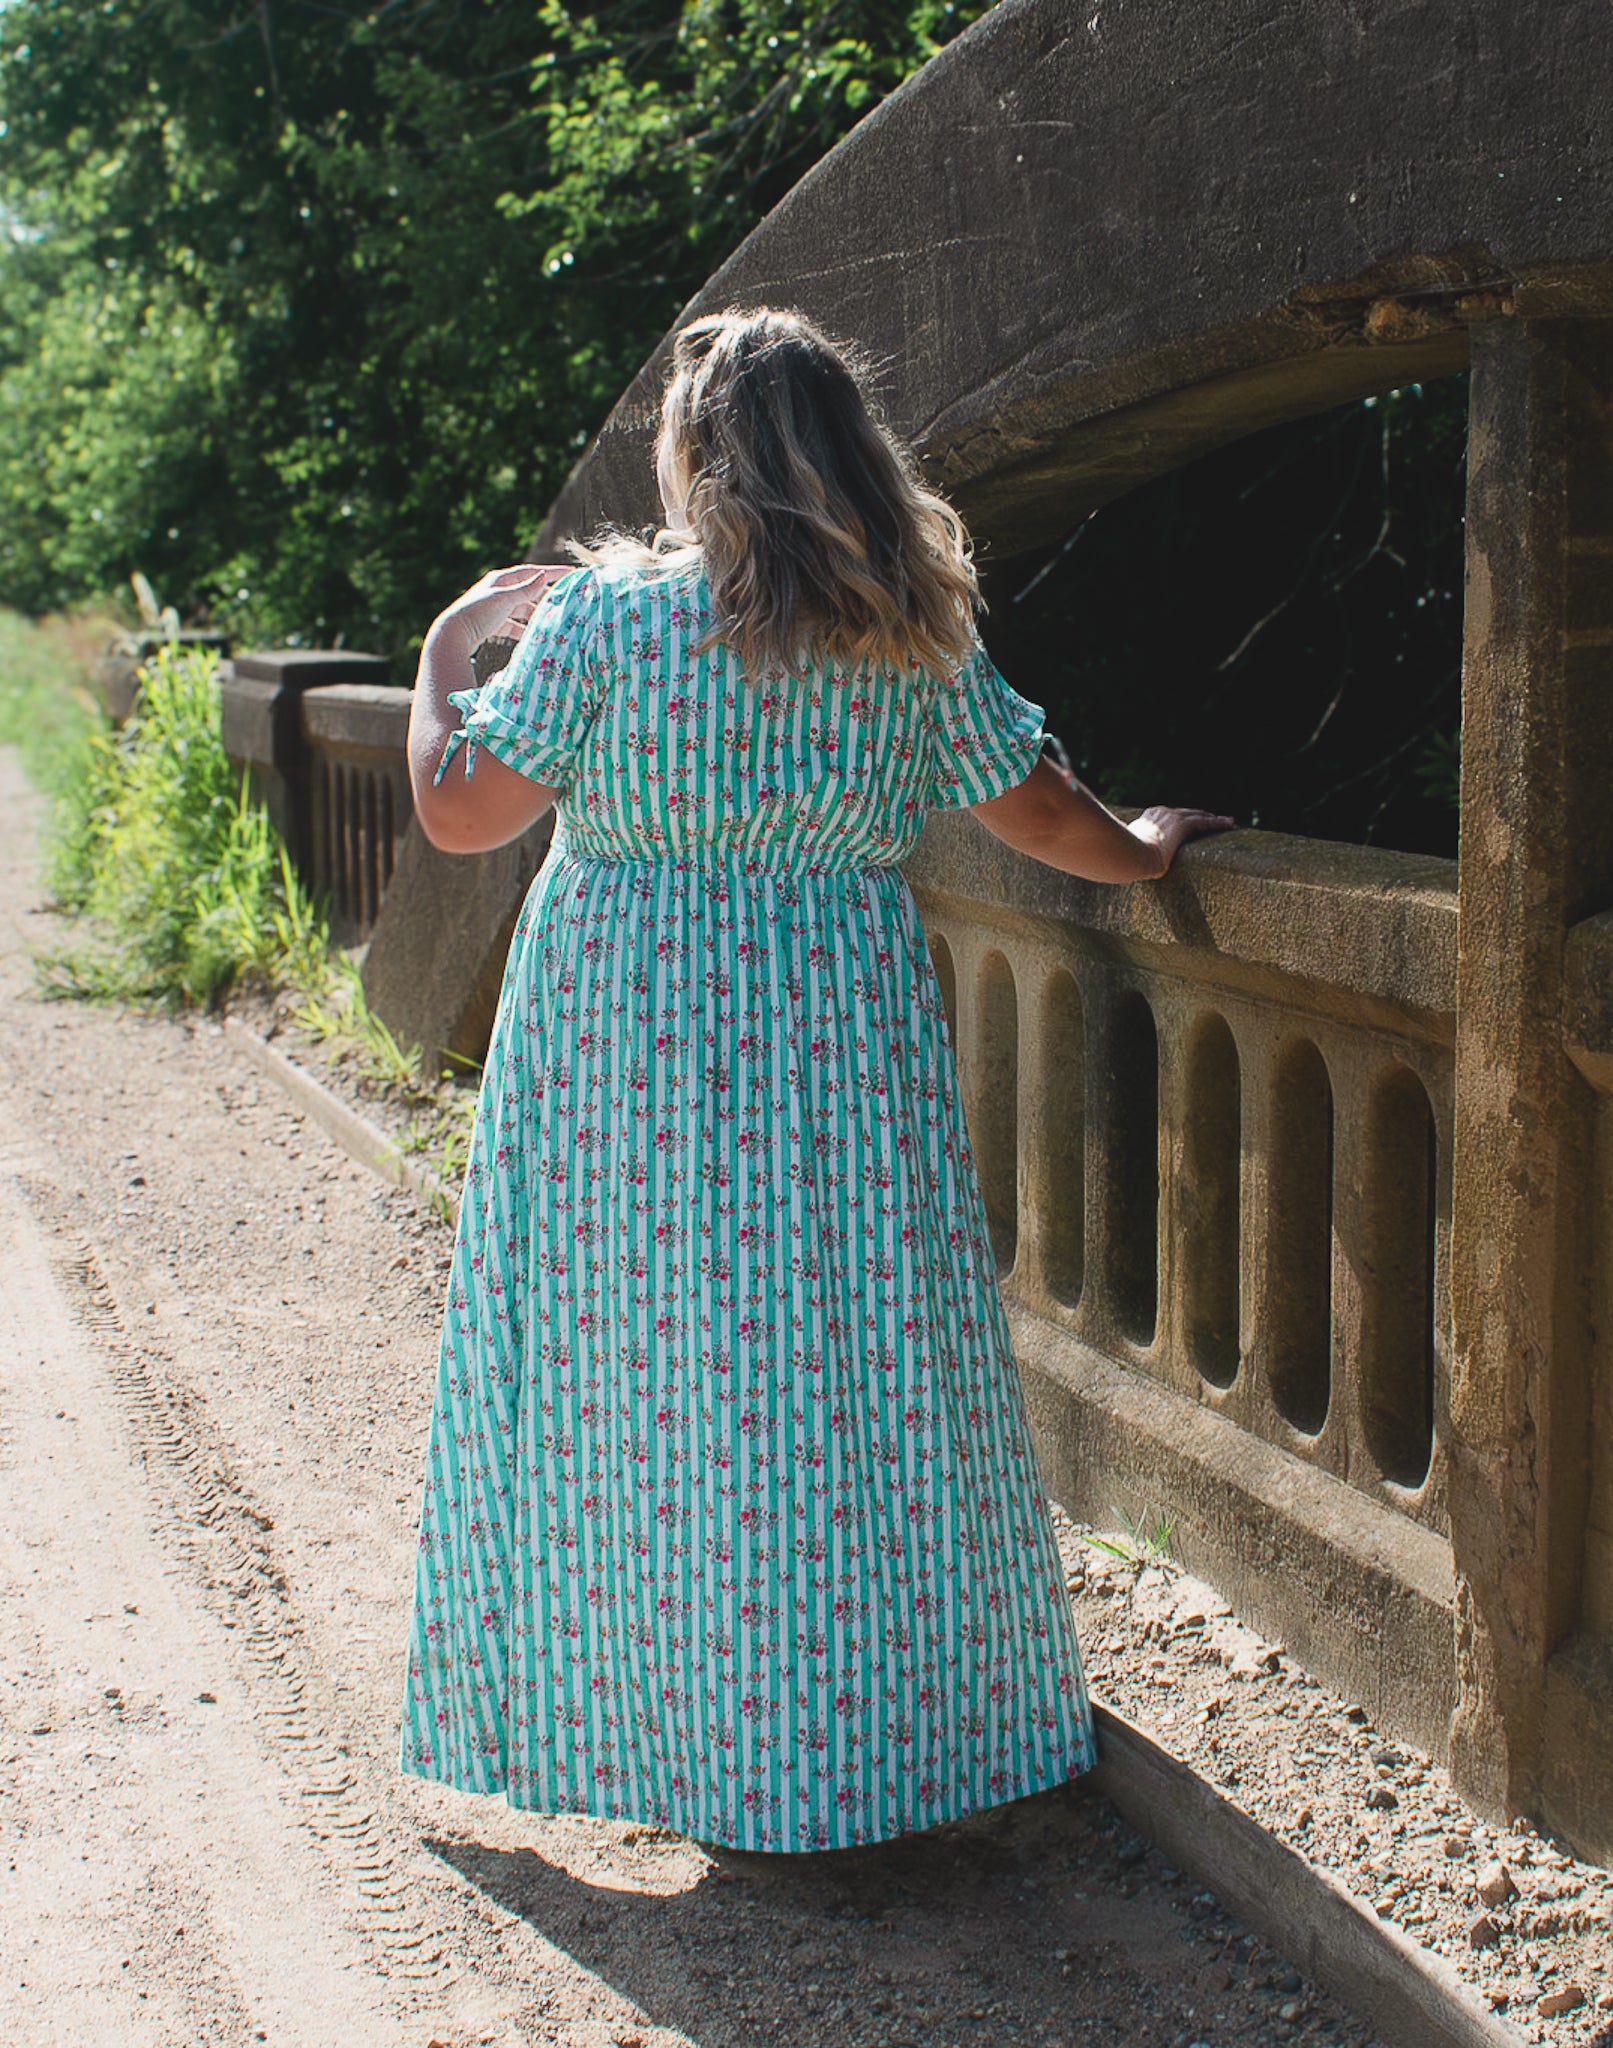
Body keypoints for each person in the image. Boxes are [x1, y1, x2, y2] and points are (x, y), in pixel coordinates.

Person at [398, 307, 1234, 1853]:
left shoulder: (602, 624)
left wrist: (450, 651)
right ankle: (852, 1739)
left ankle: (665, 1730)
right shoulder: (903, 628)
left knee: (630, 1379)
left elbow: (460, 818)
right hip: (828, 1053)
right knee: (838, 1376)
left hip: (619, 1057)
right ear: (846, 449)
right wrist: (1145, 849)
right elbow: (1044, 819)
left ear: (694, 456)